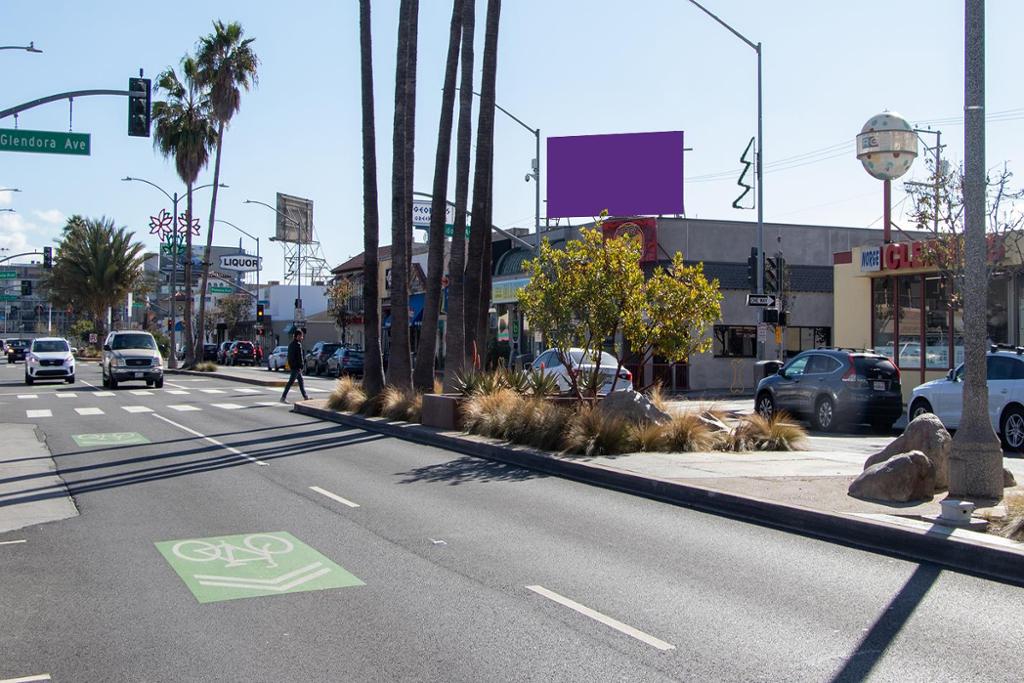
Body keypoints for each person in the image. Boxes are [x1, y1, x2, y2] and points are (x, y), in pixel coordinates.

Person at [280, 329, 309, 403]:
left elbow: (290, 357)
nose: (302, 337)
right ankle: (283, 397)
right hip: (296, 367)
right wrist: (301, 365)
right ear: (297, 336)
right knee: (290, 382)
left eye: (302, 336)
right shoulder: (298, 345)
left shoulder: (291, 344)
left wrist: (292, 365)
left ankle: (305, 397)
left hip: (294, 366)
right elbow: (300, 357)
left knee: (301, 382)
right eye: (301, 336)